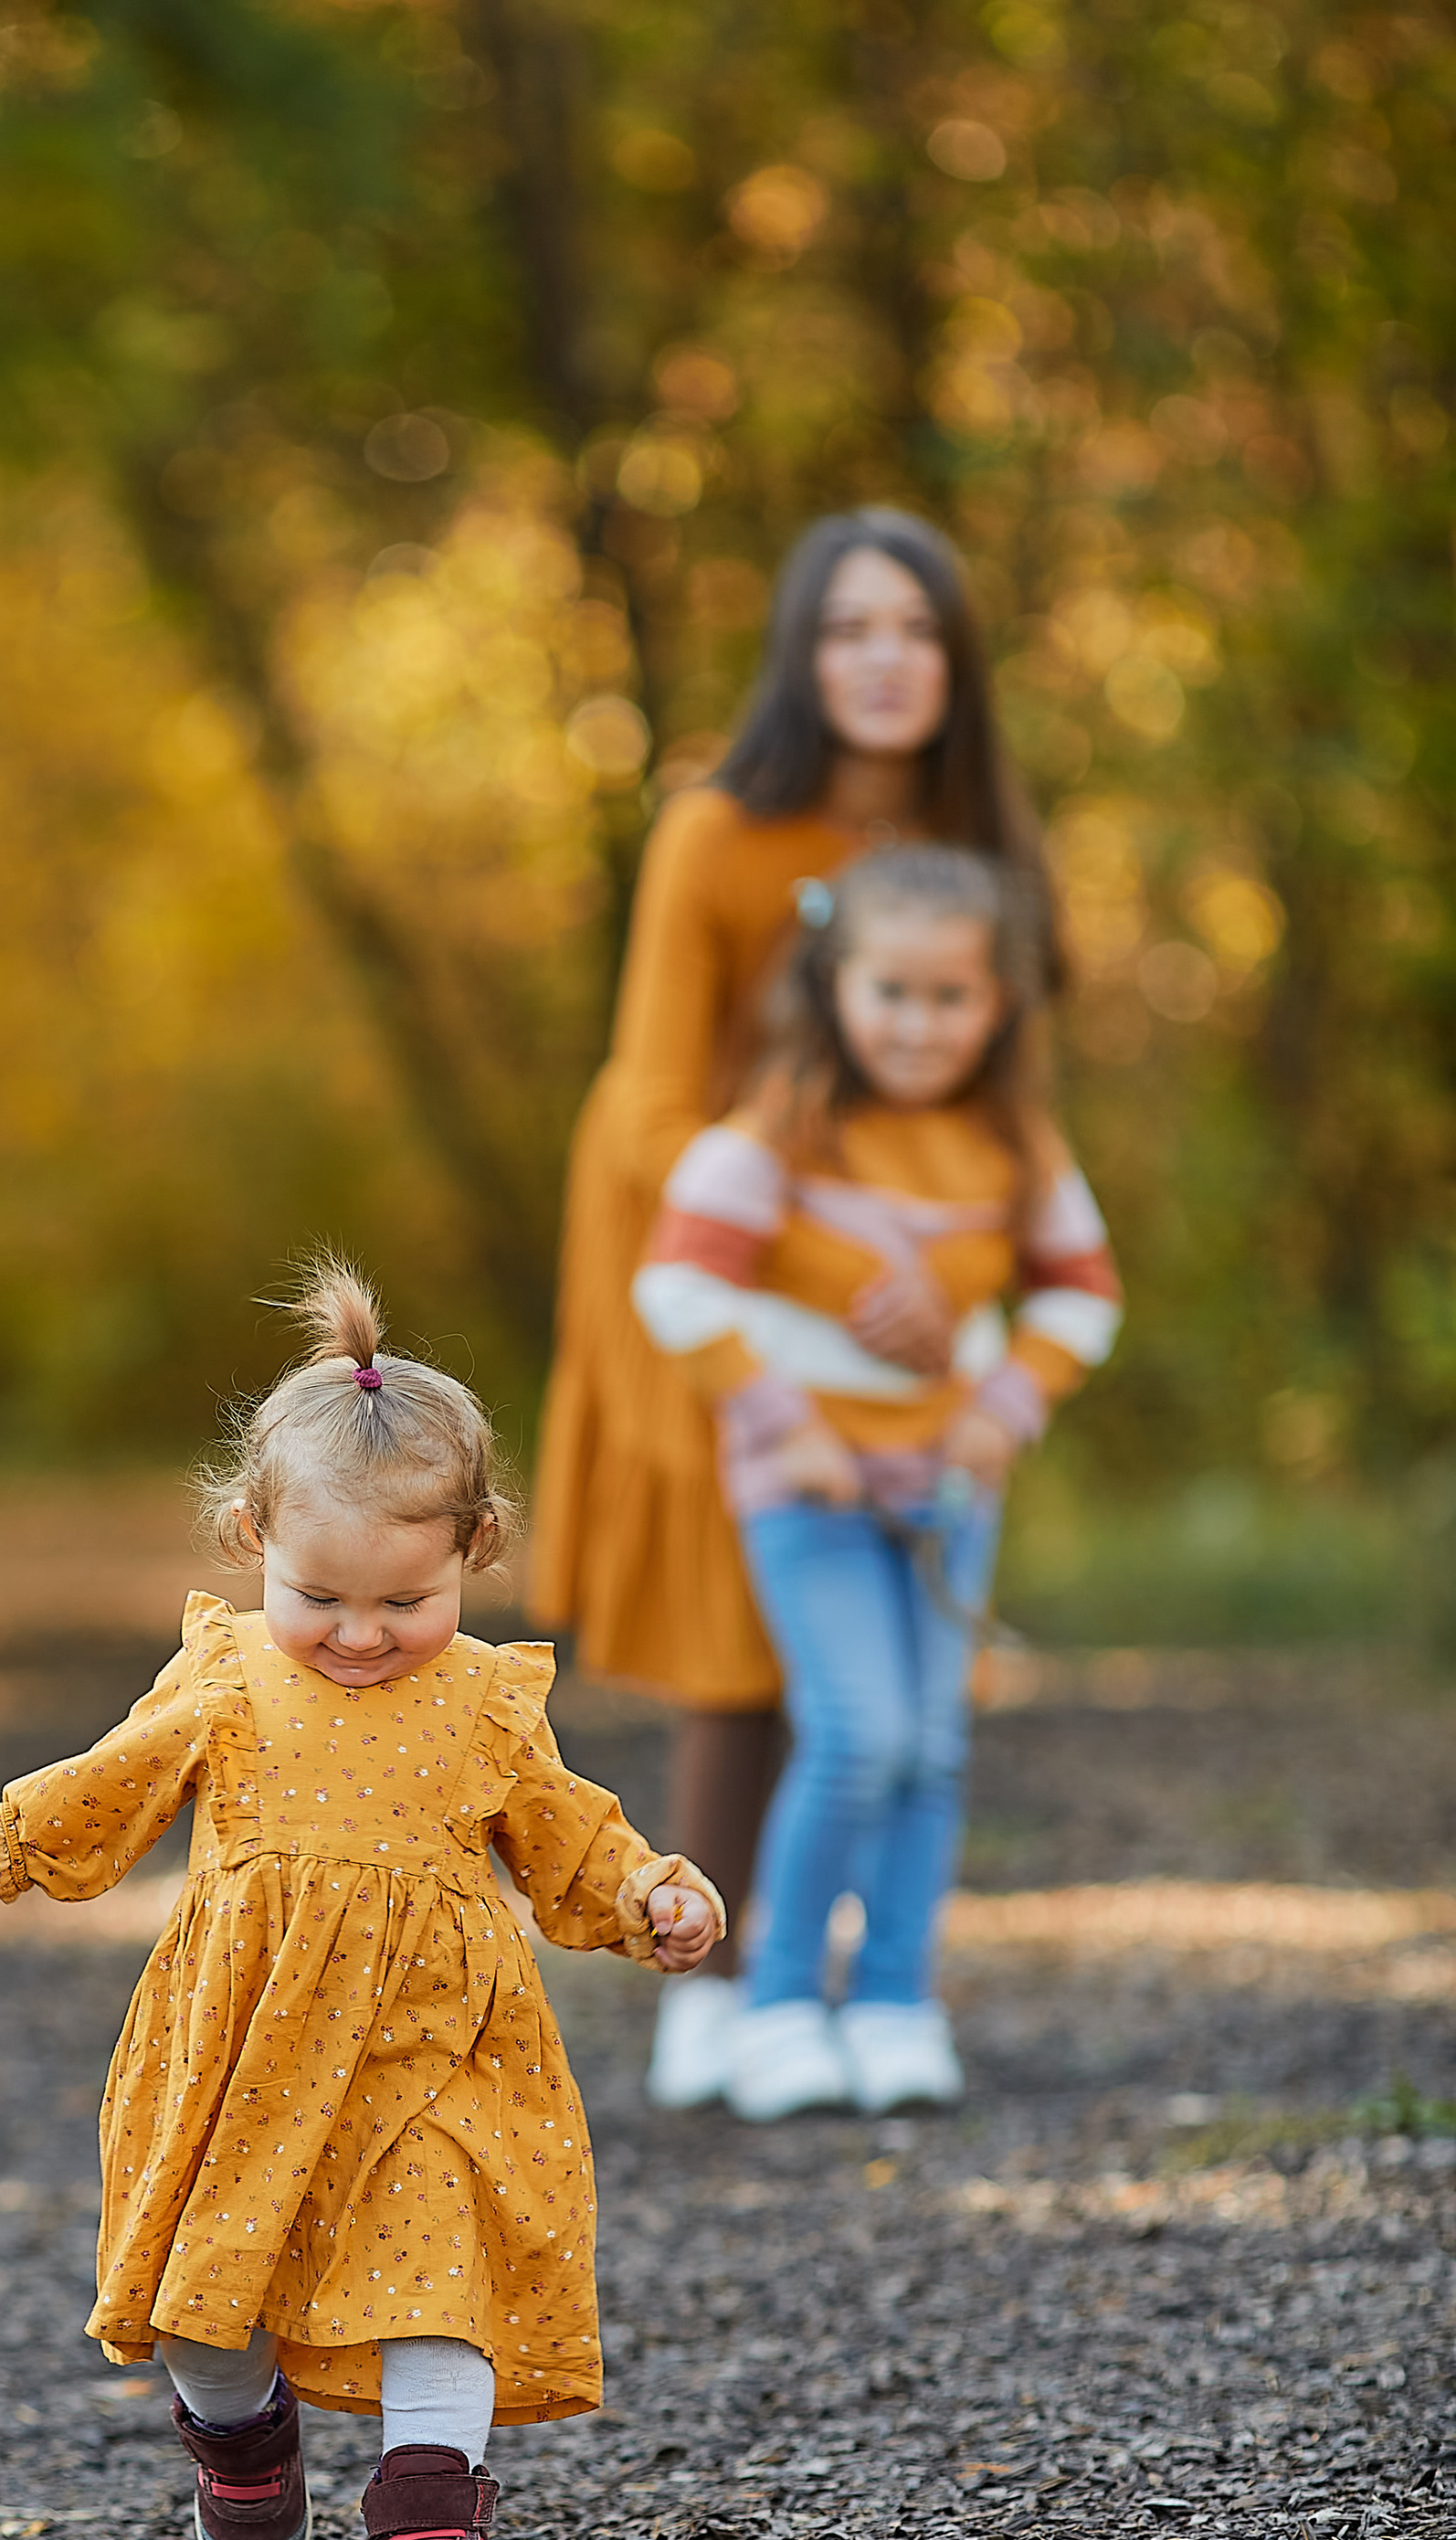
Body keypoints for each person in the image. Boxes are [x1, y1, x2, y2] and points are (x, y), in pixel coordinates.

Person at [0, 1265, 725, 2540]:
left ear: (475, 1550)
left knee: (442, 2270)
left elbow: (569, 1837)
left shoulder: (491, 1702)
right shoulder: (229, 1676)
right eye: (322, 1598)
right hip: (246, 2046)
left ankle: (433, 2527)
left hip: (437, 2052)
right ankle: (241, 2434)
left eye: (405, 1603)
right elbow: (108, 1784)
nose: (364, 1637)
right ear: (250, 1534)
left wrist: (651, 1896)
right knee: (215, 2298)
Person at [530, 508, 1056, 2109]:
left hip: (914, 1296)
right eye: (850, 630)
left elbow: (1016, 1111)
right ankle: (716, 1984)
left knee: (874, 1645)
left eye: (915, 630)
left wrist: (959, 1292)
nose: (884, 660)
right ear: (803, 655)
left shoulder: (990, 850)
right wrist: (831, 1263)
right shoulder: (719, 828)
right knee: (734, 1623)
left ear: (955, 660)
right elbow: (649, 1101)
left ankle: (865, 1988)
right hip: (699, 1254)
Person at [632, 844, 1119, 2122]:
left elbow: (1083, 1291)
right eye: (891, 992)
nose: (918, 1024)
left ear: (998, 1004)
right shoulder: (781, 1127)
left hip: (948, 1483)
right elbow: (678, 1285)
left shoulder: (1010, 1141)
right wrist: (781, 1422)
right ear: (836, 985)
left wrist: (1006, 1405)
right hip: (813, 1488)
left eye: (950, 998)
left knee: (937, 1750)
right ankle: (781, 2002)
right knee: (859, 1735)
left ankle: (898, 1999)